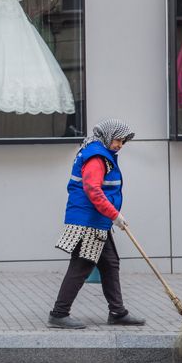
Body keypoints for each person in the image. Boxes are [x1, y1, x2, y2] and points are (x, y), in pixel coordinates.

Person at [48, 118, 145, 329]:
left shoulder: (100, 153)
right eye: (117, 140)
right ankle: (59, 313)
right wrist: (114, 215)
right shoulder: (97, 157)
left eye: (123, 141)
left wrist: (111, 215)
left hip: (96, 220)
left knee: (110, 264)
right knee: (81, 266)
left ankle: (118, 312)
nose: (119, 145)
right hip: (88, 222)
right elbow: (93, 190)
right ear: (108, 136)